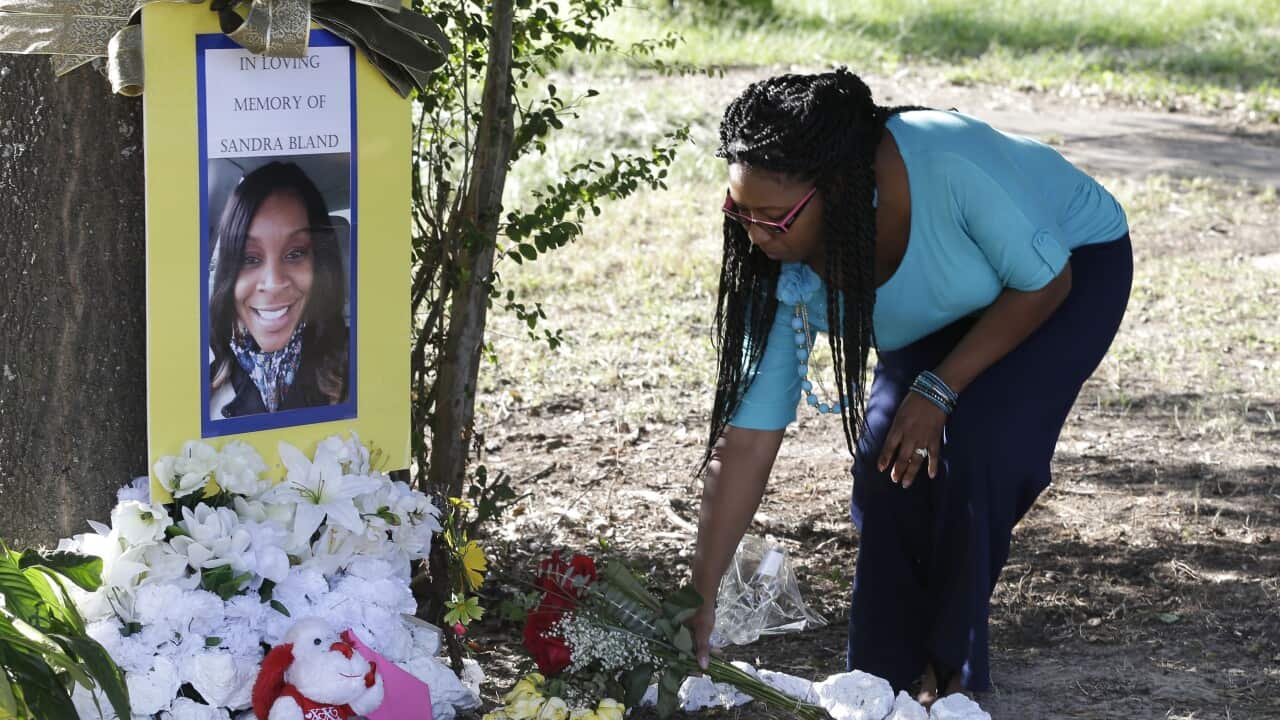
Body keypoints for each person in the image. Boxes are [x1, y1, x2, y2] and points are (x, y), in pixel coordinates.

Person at [689, 68, 1132, 705]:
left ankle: (953, 681)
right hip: (950, 304)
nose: (754, 235)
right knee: (887, 462)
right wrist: (697, 597)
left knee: (979, 445)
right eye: (740, 210)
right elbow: (748, 441)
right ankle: (878, 685)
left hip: (1064, 270)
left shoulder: (945, 159)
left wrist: (940, 387)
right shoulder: (779, 262)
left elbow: (1045, 282)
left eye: (773, 218)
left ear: (838, 190)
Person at [208, 161, 349, 419]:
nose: (273, 283)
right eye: (249, 258)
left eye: (295, 253)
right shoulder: (203, 388)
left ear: (321, 263)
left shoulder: (359, 367)